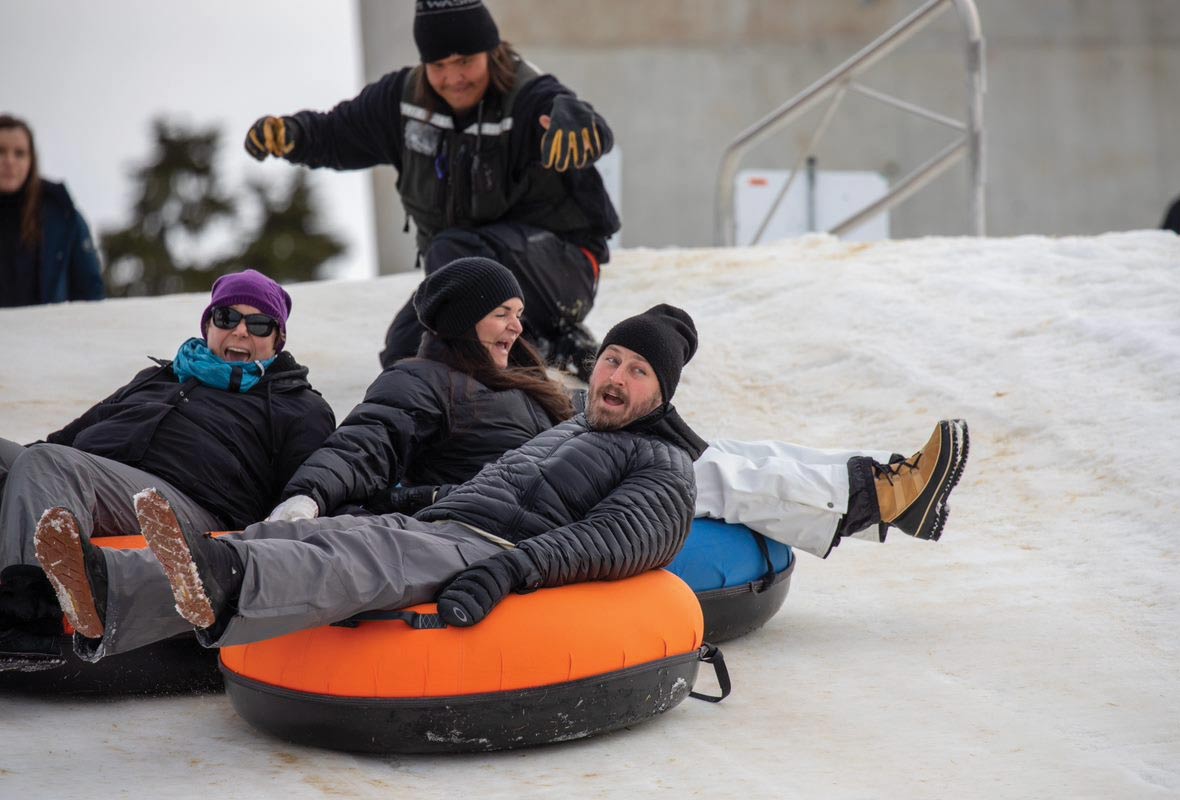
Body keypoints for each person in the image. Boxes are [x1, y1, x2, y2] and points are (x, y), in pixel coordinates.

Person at [33, 304, 704, 660]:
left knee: (358, 558)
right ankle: (97, 591)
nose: (614, 377)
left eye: (637, 370)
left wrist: (514, 569)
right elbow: (499, 479)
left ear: (662, 391)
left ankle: (207, 578)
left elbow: (617, 540)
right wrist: (407, 500)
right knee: (303, 536)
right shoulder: (571, 428)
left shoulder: (665, 466)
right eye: (612, 359)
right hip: (444, 525)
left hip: (490, 548)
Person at [263, 256, 969, 555]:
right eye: (502, 315)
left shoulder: (521, 381)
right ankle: (881, 498)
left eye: (518, 314)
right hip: (527, 509)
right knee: (704, 477)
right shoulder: (420, 380)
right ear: (460, 322)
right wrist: (309, 498)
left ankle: (885, 480)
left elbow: (615, 406)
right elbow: (366, 440)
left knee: (725, 456)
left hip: (571, 477)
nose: (517, 328)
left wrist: (662, 344)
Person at [243, 0, 618, 376]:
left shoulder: (526, 98)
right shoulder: (401, 103)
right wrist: (291, 135)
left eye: (465, 61)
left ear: (491, 52)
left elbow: (576, 119)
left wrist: (579, 125)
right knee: (405, 350)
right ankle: (523, 346)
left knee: (456, 250)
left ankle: (542, 340)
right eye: (439, 65)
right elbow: (335, 133)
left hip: (562, 272)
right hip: (468, 274)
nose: (454, 77)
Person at [0, 269, 335, 664]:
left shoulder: (297, 405)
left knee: (50, 465)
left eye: (259, 324)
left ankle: (27, 619)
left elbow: (304, 493)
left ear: (277, 339)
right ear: (208, 325)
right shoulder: (159, 376)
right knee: (31, 459)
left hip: (186, 507)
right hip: (97, 477)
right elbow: (66, 439)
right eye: (227, 318)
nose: (241, 332)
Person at [0, 114, 105, 307]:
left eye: (19, 153)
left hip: (43, 334)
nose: (9, 161)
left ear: (32, 160)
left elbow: (91, 294)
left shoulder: (63, 215)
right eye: (1, 151)